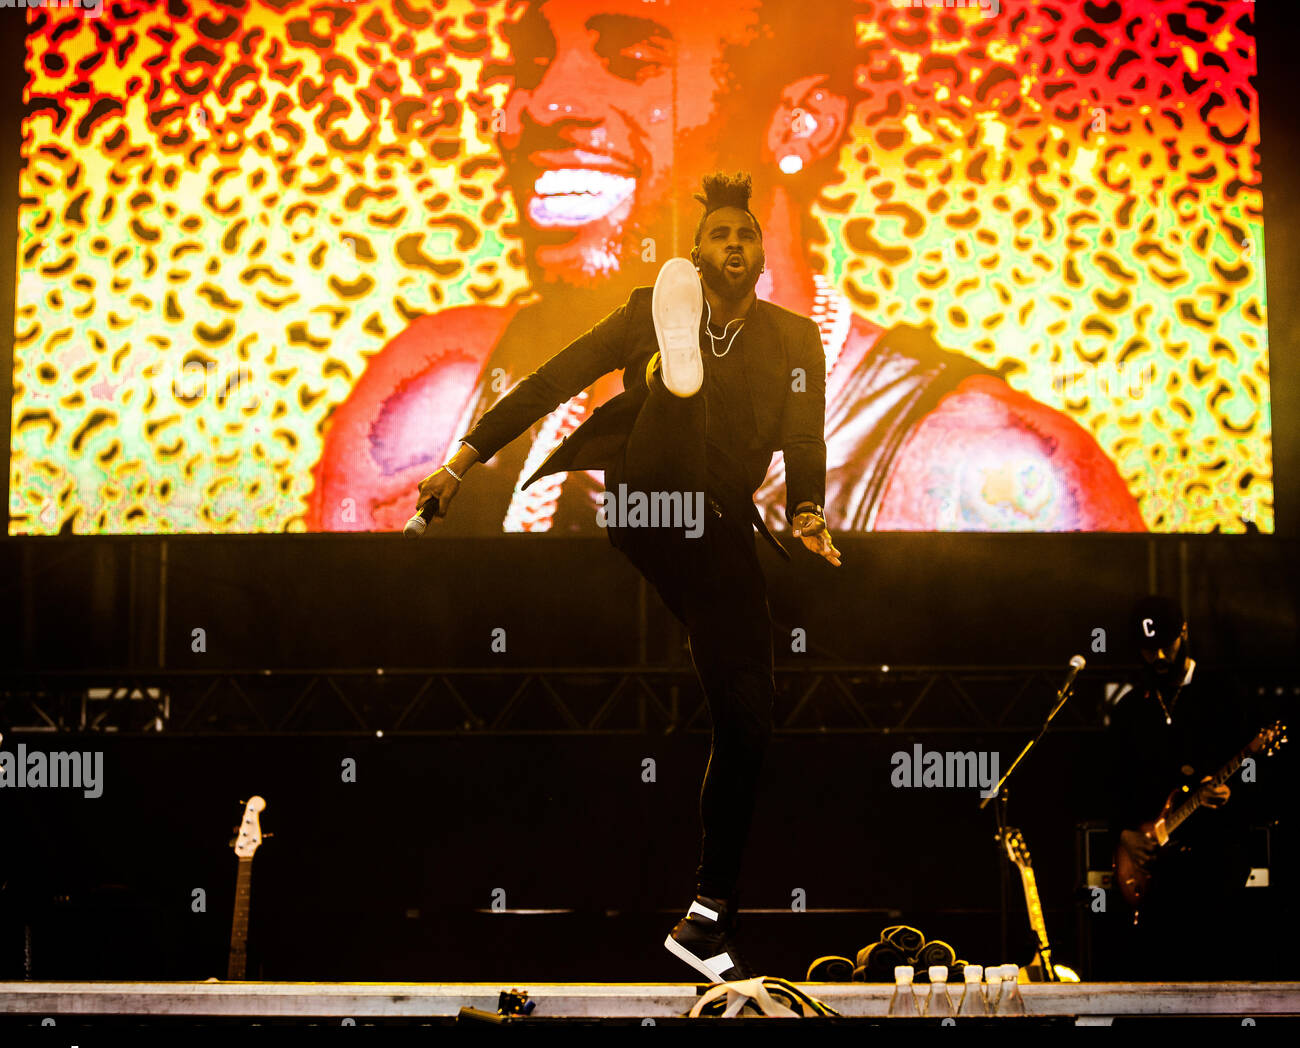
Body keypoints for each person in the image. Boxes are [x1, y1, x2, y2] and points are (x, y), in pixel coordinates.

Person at [306, 0, 1145, 534]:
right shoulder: (431, 412)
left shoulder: (994, 482)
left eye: (635, 58)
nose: (539, 107)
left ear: (801, 125)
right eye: (532, 63)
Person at [413, 172, 839, 981]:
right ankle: (667, 384)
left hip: (714, 528)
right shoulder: (648, 307)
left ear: (759, 253)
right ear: (696, 253)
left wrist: (810, 512)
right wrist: (461, 462)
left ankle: (709, 914)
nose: (737, 244)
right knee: (663, 399)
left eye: (746, 234)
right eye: (720, 235)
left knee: (750, 715)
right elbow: (552, 382)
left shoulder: (793, 339)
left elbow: (805, 438)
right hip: (648, 499)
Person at [1101, 596, 1255, 980]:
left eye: (1165, 645)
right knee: (1155, 971)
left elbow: (1254, 767)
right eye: (1147, 649)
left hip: (1213, 860)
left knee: (1213, 968)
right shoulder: (1131, 708)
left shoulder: (1224, 692)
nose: (1157, 656)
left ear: (1183, 633)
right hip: (1155, 867)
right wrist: (1123, 834)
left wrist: (1236, 792)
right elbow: (1108, 782)